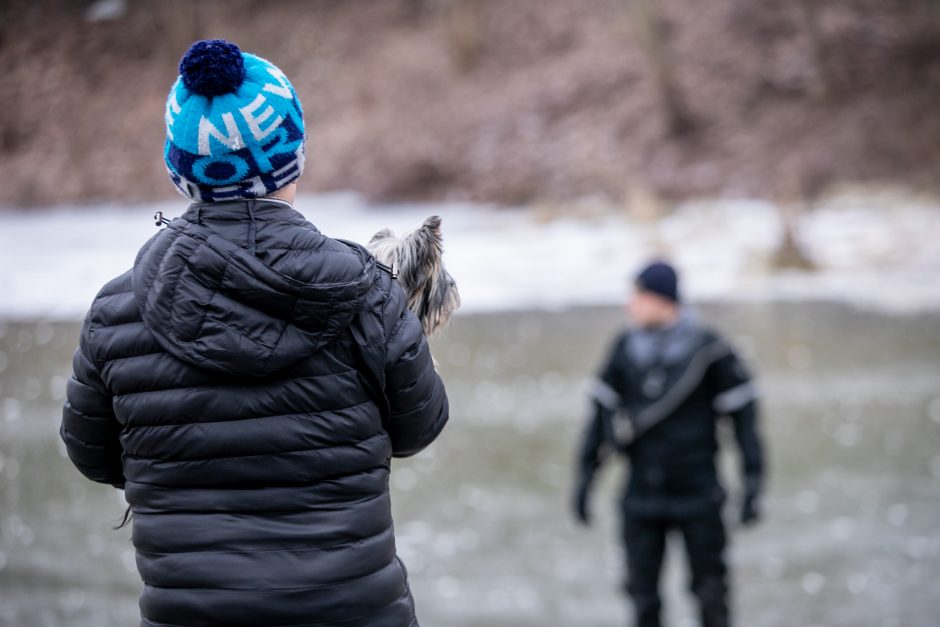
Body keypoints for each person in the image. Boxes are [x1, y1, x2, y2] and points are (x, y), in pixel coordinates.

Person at [59, 39, 448, 627]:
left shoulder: (118, 309)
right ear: (294, 156)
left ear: (179, 171)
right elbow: (420, 426)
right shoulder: (367, 291)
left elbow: (93, 455)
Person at [572, 261, 764, 627]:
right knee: (643, 599)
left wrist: (753, 483)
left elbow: (745, 422)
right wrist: (584, 480)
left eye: (640, 295)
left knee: (711, 596)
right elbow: (599, 419)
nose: (631, 304)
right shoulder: (625, 348)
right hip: (641, 497)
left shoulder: (711, 350)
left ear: (664, 299)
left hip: (699, 495)